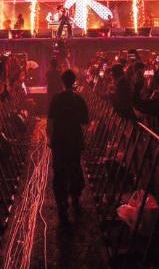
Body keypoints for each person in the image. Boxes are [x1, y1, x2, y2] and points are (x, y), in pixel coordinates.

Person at [47, 69, 89, 224]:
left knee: (59, 172)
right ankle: (75, 198)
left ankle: (61, 203)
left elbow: (50, 121)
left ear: (62, 82)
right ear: (74, 81)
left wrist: (49, 138)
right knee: (75, 167)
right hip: (74, 140)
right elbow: (85, 120)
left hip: (59, 140)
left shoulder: (56, 99)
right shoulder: (78, 99)